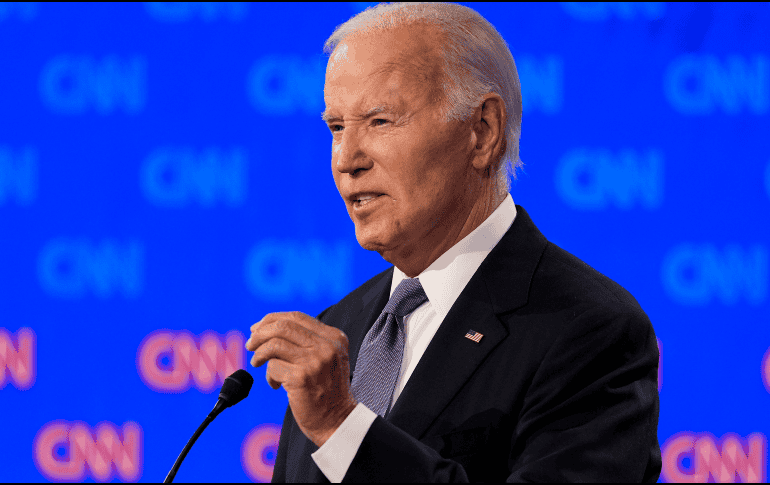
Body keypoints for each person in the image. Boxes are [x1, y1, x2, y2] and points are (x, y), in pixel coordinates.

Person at [245, 2, 661, 482]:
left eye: (380, 121)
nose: (347, 159)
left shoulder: (589, 330)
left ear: (482, 132)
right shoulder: (341, 326)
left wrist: (344, 429)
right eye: (337, 127)